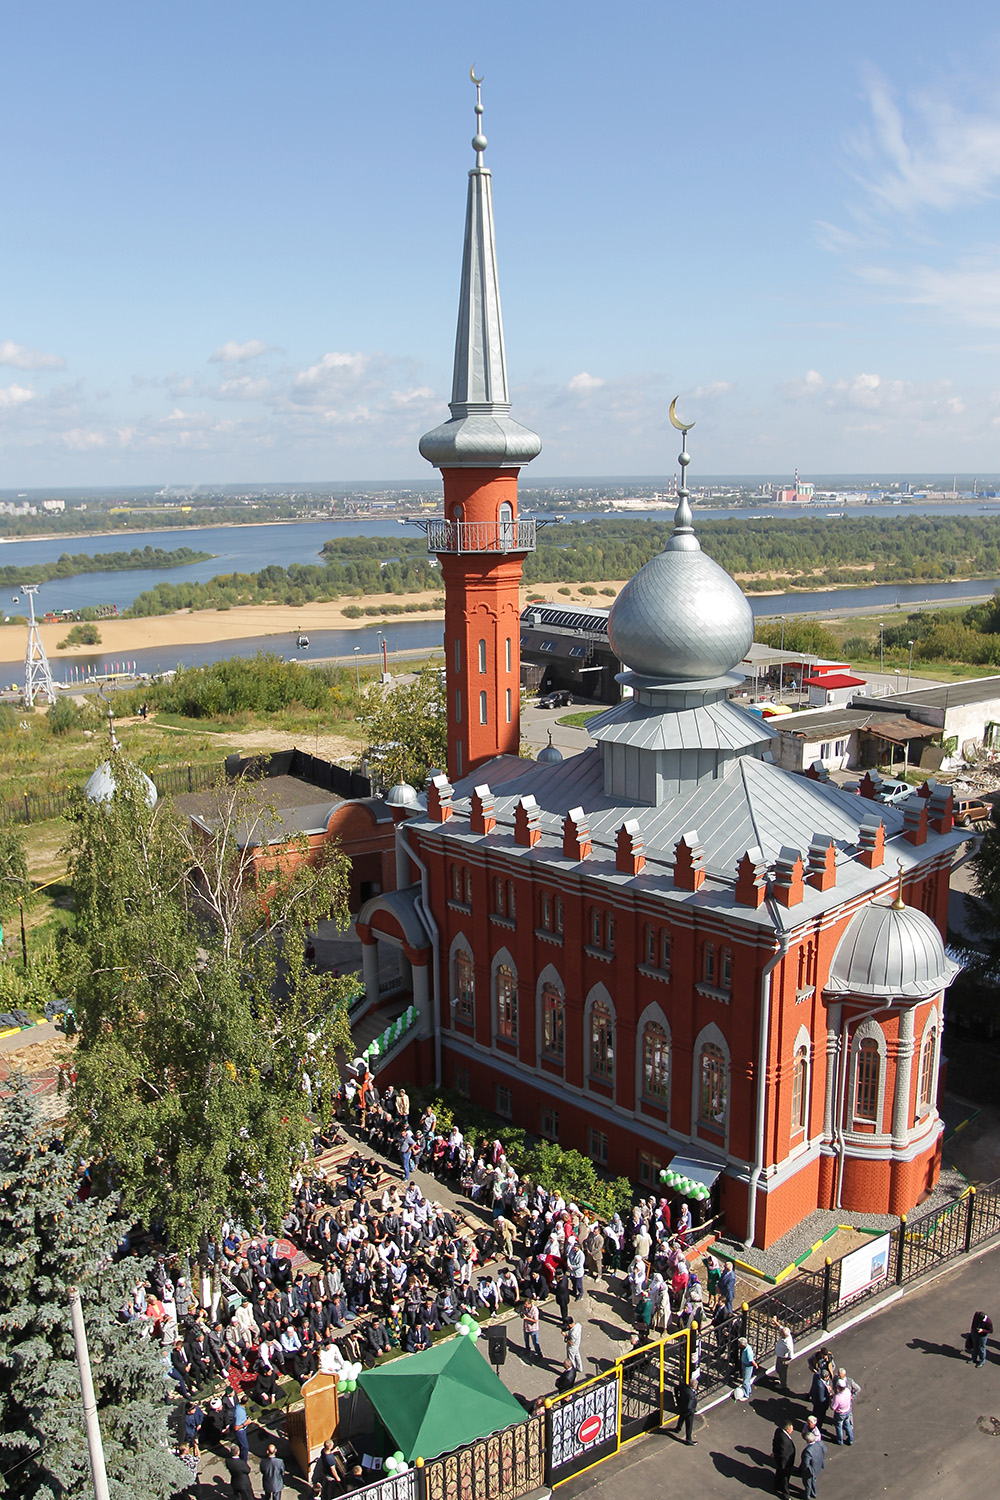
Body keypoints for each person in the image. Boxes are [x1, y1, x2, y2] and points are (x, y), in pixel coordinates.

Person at [672, 1372, 699, 1445]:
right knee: (689, 1425)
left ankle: (678, 1428)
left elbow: (676, 1388)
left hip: (682, 1407)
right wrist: (690, 1411)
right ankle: (688, 1439)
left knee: (681, 1417)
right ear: (694, 1386)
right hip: (688, 1411)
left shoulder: (684, 1386)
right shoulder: (691, 1396)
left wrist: (678, 1400)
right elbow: (689, 1406)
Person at [772, 1421, 796, 1500]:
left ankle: (777, 1485)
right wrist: (785, 1466)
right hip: (785, 1463)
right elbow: (784, 1455)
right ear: (787, 1429)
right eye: (791, 1428)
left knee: (779, 1472)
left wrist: (774, 1452)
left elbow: (774, 1442)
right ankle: (786, 1495)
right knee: (785, 1478)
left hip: (778, 1459)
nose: (793, 1429)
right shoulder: (785, 1441)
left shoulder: (778, 1431)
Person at [829, 1375, 856, 1445]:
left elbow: (832, 1407)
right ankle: (851, 1440)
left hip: (840, 1414)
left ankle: (840, 1441)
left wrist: (830, 1400)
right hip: (848, 1411)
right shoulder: (847, 1391)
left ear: (838, 1386)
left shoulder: (837, 1397)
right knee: (847, 1425)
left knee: (839, 1427)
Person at [799, 1433, 826, 1498]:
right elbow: (825, 1450)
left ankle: (807, 1496)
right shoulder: (819, 1444)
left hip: (810, 1471)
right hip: (817, 1467)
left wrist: (804, 1470)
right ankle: (814, 1493)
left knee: (807, 1483)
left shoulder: (808, 1451)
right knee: (813, 1480)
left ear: (808, 1441)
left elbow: (806, 1464)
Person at [734, 1336, 757, 1401]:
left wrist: (755, 1365)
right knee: (746, 1378)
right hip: (745, 1364)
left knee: (746, 1381)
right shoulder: (747, 1347)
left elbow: (751, 1360)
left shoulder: (748, 1351)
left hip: (747, 1366)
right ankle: (748, 1390)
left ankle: (746, 1395)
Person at [774, 1324, 794, 1390]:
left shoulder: (787, 1343)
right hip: (780, 1356)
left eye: (781, 1333)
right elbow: (781, 1327)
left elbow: (790, 1351)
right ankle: (781, 1379)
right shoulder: (785, 1334)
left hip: (783, 1358)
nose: (780, 1333)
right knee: (778, 1369)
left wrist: (787, 1359)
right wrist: (775, 1322)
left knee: (782, 1371)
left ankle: (783, 1384)